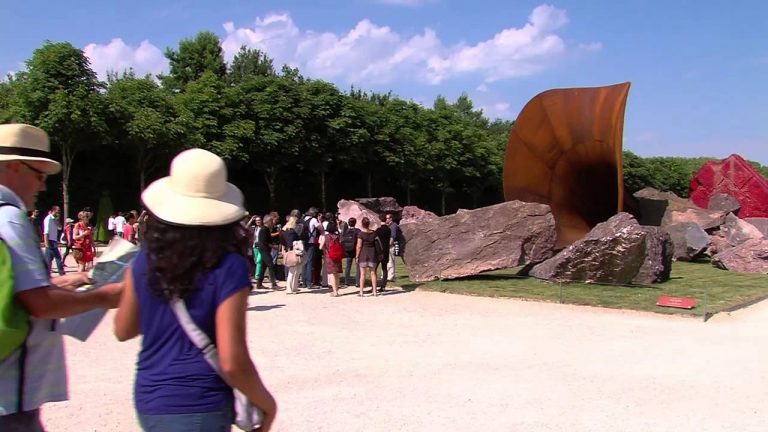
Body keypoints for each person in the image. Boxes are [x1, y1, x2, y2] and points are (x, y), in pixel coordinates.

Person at [113, 148, 277, 432]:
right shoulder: (229, 266)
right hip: (201, 402)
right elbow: (232, 360)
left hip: (149, 396)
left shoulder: (145, 258)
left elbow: (123, 328)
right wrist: (267, 404)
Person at [0, 123, 123, 431]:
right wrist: (108, 296)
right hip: (10, 393)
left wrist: (62, 282)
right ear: (13, 167)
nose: (42, 186)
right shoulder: (10, 218)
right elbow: (40, 304)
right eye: (39, 175)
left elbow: (14, 288)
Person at [355, 217, 379, 297]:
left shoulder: (361, 234)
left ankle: (361, 292)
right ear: (369, 224)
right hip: (372, 253)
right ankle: (375, 291)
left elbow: (359, 246)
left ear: (362, 224)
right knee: (373, 273)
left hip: (363, 254)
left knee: (362, 274)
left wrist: (357, 256)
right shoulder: (374, 233)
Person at [255, 215, 279, 290]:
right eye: (271, 221)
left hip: (265, 249)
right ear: (268, 221)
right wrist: (273, 246)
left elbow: (268, 239)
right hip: (264, 249)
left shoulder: (266, 229)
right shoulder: (264, 229)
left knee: (263, 267)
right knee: (270, 265)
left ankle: (259, 284)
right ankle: (274, 284)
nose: (272, 222)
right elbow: (263, 241)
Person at [281, 216, 303, 294]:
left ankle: (293, 287)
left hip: (287, 251)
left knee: (293, 271)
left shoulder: (283, 231)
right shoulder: (292, 232)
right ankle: (290, 288)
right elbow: (293, 242)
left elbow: (282, 242)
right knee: (294, 271)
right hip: (294, 252)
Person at [319, 221, 342, 297]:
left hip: (329, 256)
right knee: (337, 274)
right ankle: (337, 290)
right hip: (338, 255)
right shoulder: (337, 236)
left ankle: (334, 291)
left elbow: (321, 247)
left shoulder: (326, 237)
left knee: (332, 274)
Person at [42, 205, 65, 276]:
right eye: (57, 212)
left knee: (49, 259)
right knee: (56, 258)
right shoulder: (48, 219)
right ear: (53, 211)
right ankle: (61, 273)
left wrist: (57, 219)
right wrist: (46, 243)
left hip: (54, 240)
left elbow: (60, 227)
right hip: (49, 240)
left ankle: (47, 274)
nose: (58, 213)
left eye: (59, 212)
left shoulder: (54, 219)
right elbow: (46, 232)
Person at [340, 217, 360, 287]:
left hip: (348, 249)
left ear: (348, 223)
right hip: (355, 249)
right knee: (358, 266)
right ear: (355, 223)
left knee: (348, 266)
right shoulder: (357, 231)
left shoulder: (346, 231)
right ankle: (357, 282)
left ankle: (346, 282)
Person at [375, 214, 391, 292]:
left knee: (374, 268)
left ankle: (374, 285)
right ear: (386, 220)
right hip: (386, 250)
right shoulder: (388, 229)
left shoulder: (378, 230)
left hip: (379, 251)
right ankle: (383, 286)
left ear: (379, 220)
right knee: (384, 268)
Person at [385, 213, 400, 282]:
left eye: (387, 218)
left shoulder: (393, 226)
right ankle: (386, 275)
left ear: (391, 219)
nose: (386, 219)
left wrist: (388, 245)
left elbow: (393, 237)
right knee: (386, 261)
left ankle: (390, 276)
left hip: (390, 245)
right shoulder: (388, 226)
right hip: (387, 244)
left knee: (390, 261)